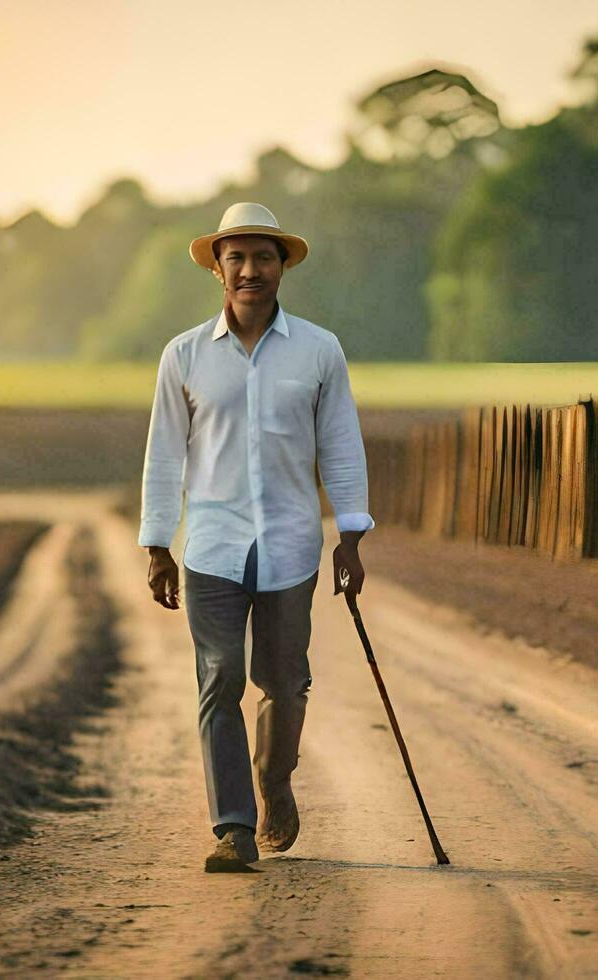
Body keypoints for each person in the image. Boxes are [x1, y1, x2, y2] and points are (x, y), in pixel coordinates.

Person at [137, 202, 374, 873]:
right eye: (235, 257)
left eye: (262, 257)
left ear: (282, 267)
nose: (249, 270)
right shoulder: (183, 356)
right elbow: (164, 456)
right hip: (211, 546)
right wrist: (158, 545)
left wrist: (351, 534)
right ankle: (233, 828)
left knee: (285, 683)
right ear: (218, 269)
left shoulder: (318, 350)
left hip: (291, 546)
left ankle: (273, 780)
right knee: (219, 678)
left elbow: (341, 446)